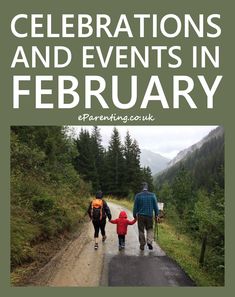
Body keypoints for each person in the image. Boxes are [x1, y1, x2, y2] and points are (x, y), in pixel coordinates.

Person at [133, 182, 159, 250]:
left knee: (141, 230)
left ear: (142, 188)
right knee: (150, 229)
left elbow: (135, 207)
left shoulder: (138, 196)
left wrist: (134, 215)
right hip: (149, 216)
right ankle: (149, 242)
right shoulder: (152, 195)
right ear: (147, 188)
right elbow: (156, 207)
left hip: (141, 216)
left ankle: (142, 244)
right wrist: (157, 214)